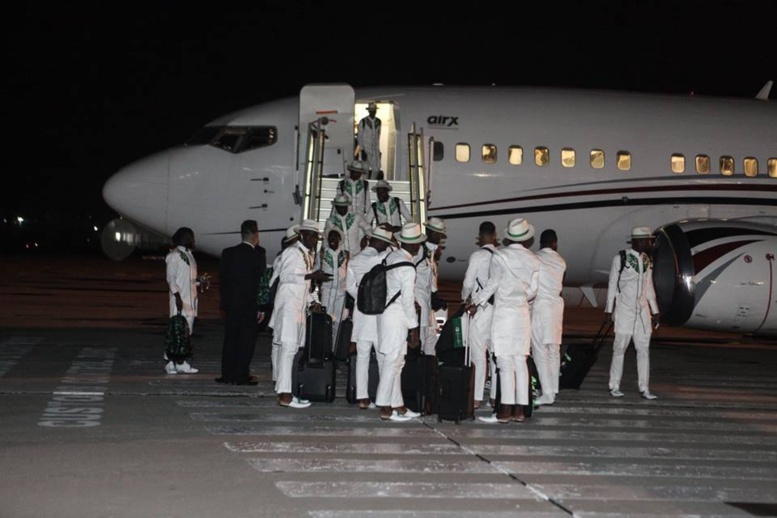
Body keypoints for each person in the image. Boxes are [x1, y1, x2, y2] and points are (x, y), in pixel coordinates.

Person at [469, 218, 540, 424]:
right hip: (521, 314)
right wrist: (519, 297)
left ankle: (505, 411)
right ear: (527, 239)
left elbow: (492, 284)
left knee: (504, 362)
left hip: (503, 315)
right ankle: (520, 410)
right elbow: (533, 291)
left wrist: (477, 302)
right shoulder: (534, 260)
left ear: (509, 237)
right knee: (520, 361)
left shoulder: (500, 256)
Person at [270, 219, 329, 408]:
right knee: (288, 351)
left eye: (316, 237)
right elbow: (284, 277)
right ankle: (285, 396)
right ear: (302, 234)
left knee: (293, 351)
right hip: (288, 308)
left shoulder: (307, 255)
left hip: (298, 309)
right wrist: (311, 276)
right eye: (311, 236)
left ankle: (288, 392)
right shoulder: (291, 252)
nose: (314, 240)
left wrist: (314, 302)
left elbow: (305, 285)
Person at [376, 223, 424, 422]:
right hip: (397, 317)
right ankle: (385, 407)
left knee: (397, 363)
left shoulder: (391, 257)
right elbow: (406, 300)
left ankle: (399, 405)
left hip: (385, 314)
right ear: (414, 246)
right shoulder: (408, 267)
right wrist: (414, 328)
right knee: (392, 362)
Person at [606, 226, 660, 400]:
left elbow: (649, 287)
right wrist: (608, 309)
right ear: (639, 241)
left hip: (642, 312)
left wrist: (655, 310)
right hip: (624, 310)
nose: (650, 243)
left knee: (643, 350)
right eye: (648, 240)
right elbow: (612, 284)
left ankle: (644, 388)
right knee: (619, 349)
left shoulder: (647, 260)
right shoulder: (620, 258)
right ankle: (614, 385)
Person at [345, 227, 395, 409]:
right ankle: (384, 399)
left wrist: (361, 295)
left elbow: (349, 286)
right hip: (378, 313)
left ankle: (363, 397)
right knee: (382, 356)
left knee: (363, 356)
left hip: (361, 312)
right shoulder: (383, 258)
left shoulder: (355, 261)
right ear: (381, 243)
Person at [216, 220, 267, 385]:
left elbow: (222, 281)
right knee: (246, 342)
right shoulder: (259, 254)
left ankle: (227, 374)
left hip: (231, 305)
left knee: (230, 340)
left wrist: (224, 303)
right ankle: (241, 375)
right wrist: (261, 306)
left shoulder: (228, 253)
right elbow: (261, 282)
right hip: (249, 306)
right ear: (256, 235)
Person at [460, 221, 499, 408]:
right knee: (495, 354)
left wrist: (464, 298)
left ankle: (476, 398)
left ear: (480, 237)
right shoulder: (502, 255)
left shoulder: (478, 256)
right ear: (495, 236)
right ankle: (494, 396)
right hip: (499, 310)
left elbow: (468, 281)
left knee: (478, 354)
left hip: (481, 309)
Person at [531, 229, 567, 406]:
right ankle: (552, 389)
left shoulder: (535, 258)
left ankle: (546, 393)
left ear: (540, 242)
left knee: (539, 351)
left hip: (541, 307)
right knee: (554, 350)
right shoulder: (561, 261)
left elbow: (532, 286)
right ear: (555, 243)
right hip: (556, 308)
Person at [164, 227, 201, 374]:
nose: (194, 240)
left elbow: (189, 278)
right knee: (176, 331)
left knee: (187, 332)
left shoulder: (190, 255)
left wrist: (198, 281)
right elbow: (170, 278)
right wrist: (177, 296)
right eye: (192, 237)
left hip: (190, 301)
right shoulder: (174, 256)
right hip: (180, 300)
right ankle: (170, 362)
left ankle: (181, 361)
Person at [269, 225, 299, 383]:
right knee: (279, 343)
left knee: (279, 342)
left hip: (282, 303)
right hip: (282, 303)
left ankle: (278, 375)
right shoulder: (286, 256)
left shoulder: (284, 256)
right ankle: (279, 377)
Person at [415, 217, 446, 356]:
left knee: (432, 337)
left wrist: (435, 295)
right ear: (428, 231)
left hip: (428, 302)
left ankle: (428, 373)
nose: (439, 237)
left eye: (440, 233)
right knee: (420, 338)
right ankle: (417, 372)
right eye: (436, 233)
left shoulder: (432, 252)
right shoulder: (419, 250)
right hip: (418, 299)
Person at [317, 227, 348, 346]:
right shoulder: (322, 253)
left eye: (335, 237)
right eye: (330, 237)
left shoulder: (346, 254)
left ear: (340, 239)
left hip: (341, 292)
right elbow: (317, 269)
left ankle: (336, 348)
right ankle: (325, 347)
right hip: (327, 291)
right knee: (326, 320)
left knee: (340, 321)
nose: (332, 239)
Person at [323, 192, 372, 257]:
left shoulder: (356, 217)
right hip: (340, 256)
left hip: (356, 254)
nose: (342, 209)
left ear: (347, 206)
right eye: (339, 206)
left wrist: (366, 237)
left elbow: (368, 228)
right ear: (336, 207)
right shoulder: (331, 221)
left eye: (344, 206)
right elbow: (326, 239)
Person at [357, 101, 381, 178]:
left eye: (374, 110)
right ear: (368, 111)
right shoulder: (363, 121)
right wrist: (362, 149)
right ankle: (365, 186)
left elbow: (378, 136)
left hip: (375, 149)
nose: (373, 112)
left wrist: (378, 150)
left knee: (376, 169)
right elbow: (360, 136)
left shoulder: (378, 121)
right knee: (365, 170)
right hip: (366, 149)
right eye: (371, 110)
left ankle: (372, 184)